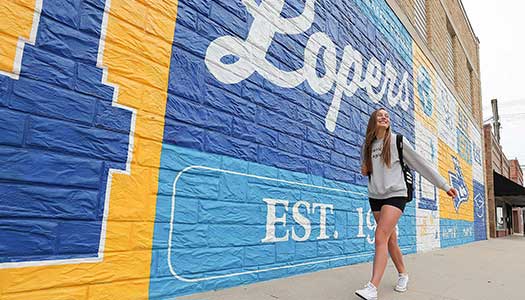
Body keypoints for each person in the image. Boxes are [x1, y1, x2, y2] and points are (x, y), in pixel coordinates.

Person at [355, 108, 458, 300]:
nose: (385, 117)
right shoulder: (368, 146)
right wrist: (366, 168)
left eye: (387, 115)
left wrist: (444, 185)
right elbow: (368, 169)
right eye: (380, 115)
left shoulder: (397, 141)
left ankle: (372, 287)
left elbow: (421, 164)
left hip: (396, 194)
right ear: (373, 121)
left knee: (380, 236)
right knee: (390, 240)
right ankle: (403, 274)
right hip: (375, 196)